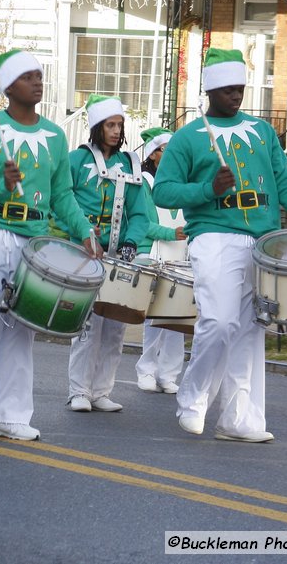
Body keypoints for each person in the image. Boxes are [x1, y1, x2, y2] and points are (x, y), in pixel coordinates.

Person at [153, 48, 287, 443]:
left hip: (261, 240)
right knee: (219, 321)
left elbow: (284, 183)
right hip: (213, 234)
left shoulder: (263, 132)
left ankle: (239, 417)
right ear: (211, 89)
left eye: (241, 89)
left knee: (251, 329)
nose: (237, 96)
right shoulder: (187, 138)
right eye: (229, 89)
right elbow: (162, 192)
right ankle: (193, 398)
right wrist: (207, 189)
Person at [0, 49, 100, 442]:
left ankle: (10, 414)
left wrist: (84, 230)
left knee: (20, 326)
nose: (38, 81)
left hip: (32, 236)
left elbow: (62, 194)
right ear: (9, 86)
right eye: (28, 75)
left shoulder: (55, 135)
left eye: (39, 74)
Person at [65, 95, 149, 414]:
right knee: (86, 326)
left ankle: (101, 391)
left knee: (115, 327)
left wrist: (132, 242)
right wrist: (82, 232)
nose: (116, 131)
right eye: (110, 125)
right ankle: (79, 391)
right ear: (97, 127)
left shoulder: (130, 164)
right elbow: (63, 202)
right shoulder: (76, 160)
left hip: (118, 258)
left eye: (119, 125)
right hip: (84, 253)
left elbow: (140, 213)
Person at [134, 127, 186, 394]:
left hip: (180, 253)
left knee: (177, 316)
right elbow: (143, 223)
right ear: (153, 154)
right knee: (154, 316)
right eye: (167, 149)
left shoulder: (181, 180)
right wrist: (172, 233)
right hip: (152, 252)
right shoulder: (144, 182)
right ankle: (146, 369)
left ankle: (169, 373)